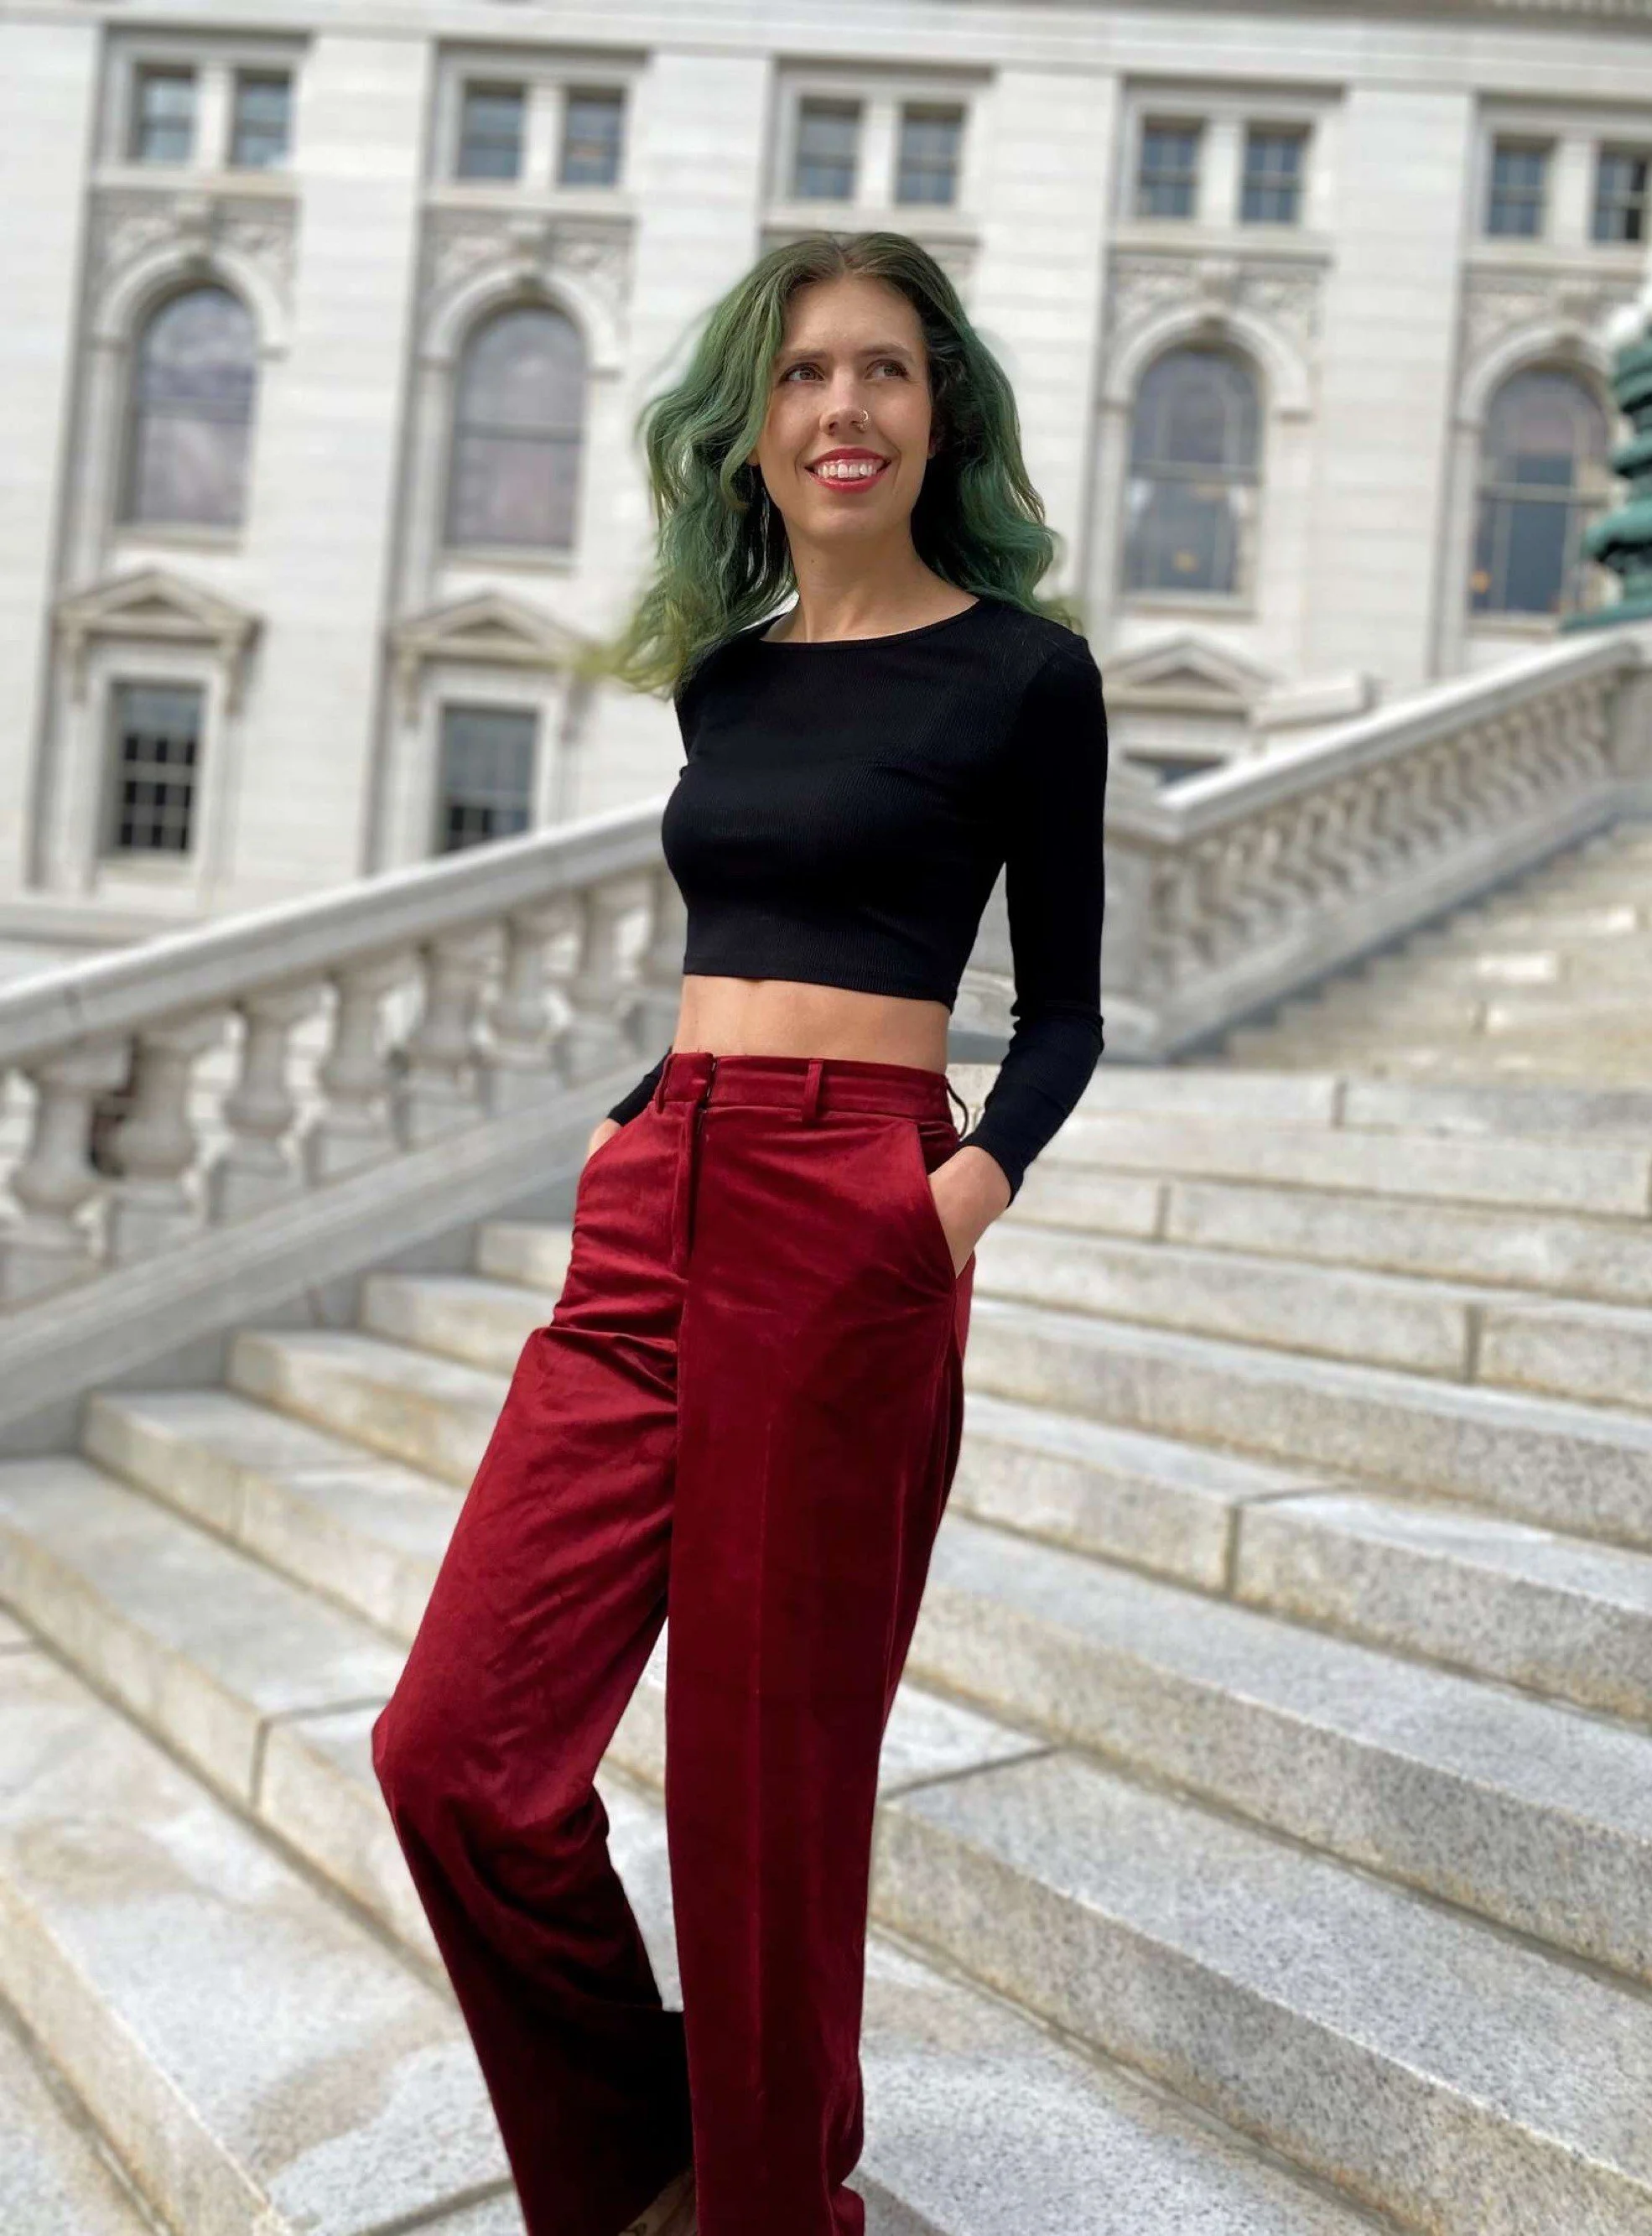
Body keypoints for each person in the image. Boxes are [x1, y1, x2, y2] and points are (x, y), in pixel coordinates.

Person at [369, 228, 1109, 2236]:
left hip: (850, 1207)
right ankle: (641, 2160)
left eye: (879, 370)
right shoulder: (727, 669)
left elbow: (1067, 1010)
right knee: (455, 1750)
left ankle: (773, 2205)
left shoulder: (1027, 674)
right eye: (798, 377)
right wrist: (652, 1120)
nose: (839, 410)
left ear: (935, 407)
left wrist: (941, 1206)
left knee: (764, 1795)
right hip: (659, 1191)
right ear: (748, 428)